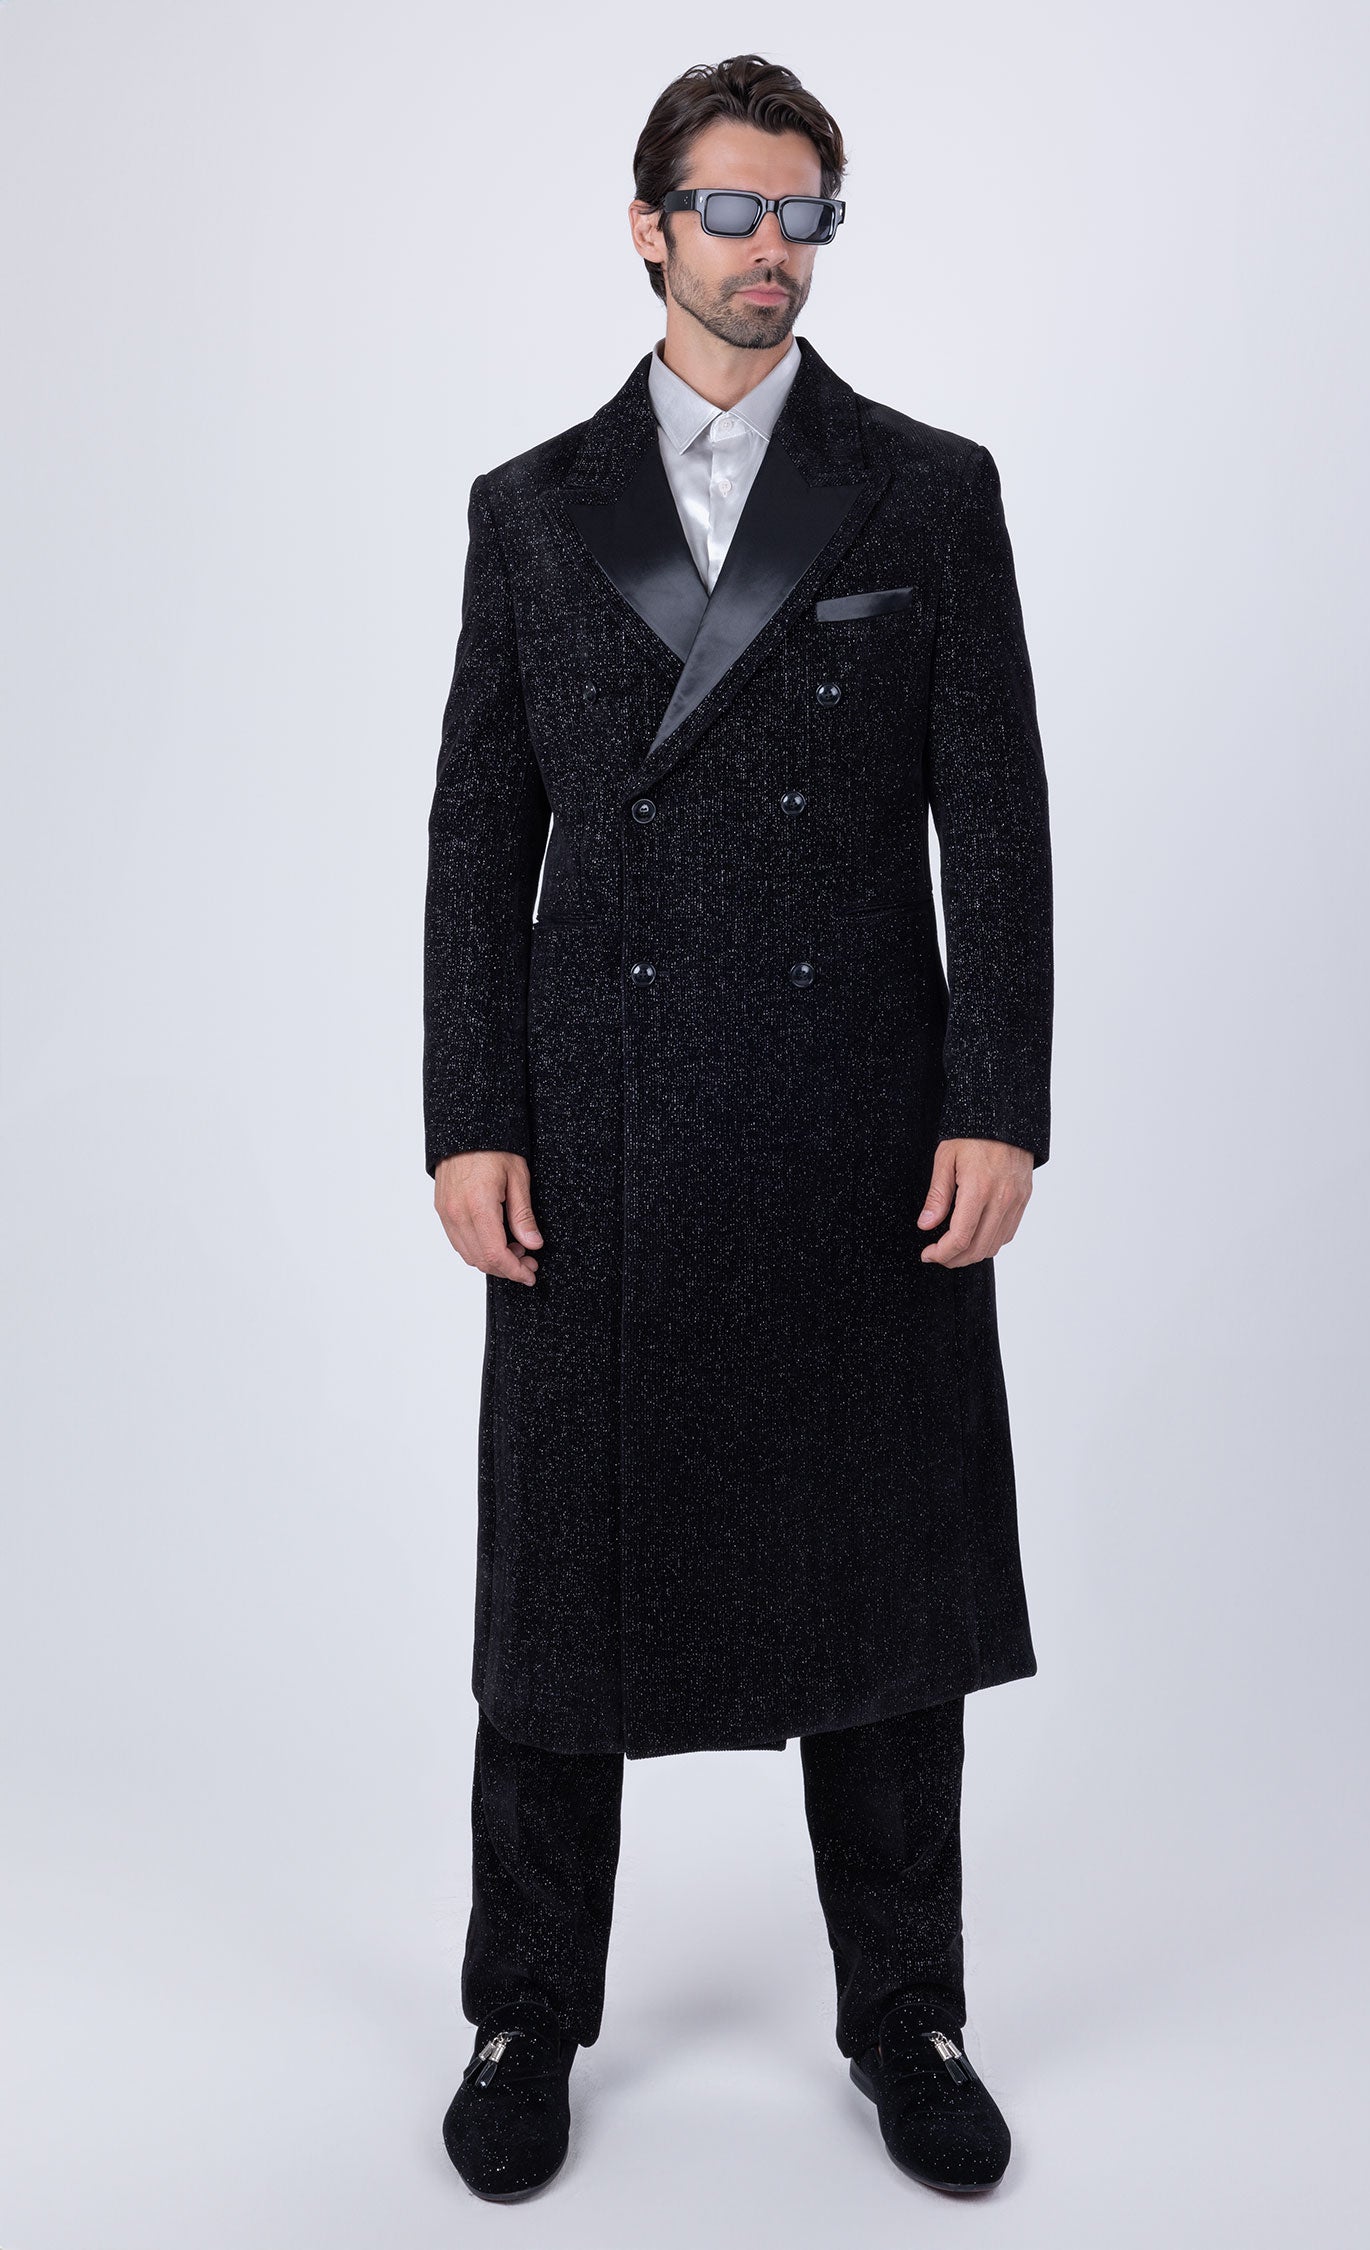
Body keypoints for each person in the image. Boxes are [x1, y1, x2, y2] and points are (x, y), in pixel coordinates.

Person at [423, 52, 1054, 2202]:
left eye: (805, 216)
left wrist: (998, 1098)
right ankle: (525, 2009)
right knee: (562, 1594)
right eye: (732, 209)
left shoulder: (928, 491)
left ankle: (910, 2011)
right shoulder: (530, 508)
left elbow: (998, 815)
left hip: (858, 1122)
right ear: (651, 227)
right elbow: (477, 832)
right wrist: (468, 1114)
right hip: (599, 1129)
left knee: (883, 1593)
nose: (770, 251)